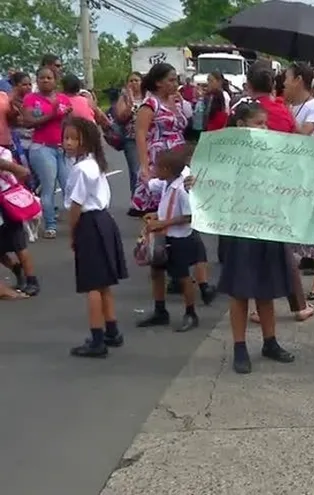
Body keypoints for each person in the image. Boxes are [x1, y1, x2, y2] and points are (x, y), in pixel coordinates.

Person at [213, 101, 300, 373]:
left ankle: (269, 341)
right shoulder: (226, 153)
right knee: (240, 292)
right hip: (240, 230)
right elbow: (209, 180)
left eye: (266, 123)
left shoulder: (272, 152)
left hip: (268, 226)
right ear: (241, 126)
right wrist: (196, 181)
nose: (264, 128)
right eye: (258, 123)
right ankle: (239, 347)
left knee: (266, 288)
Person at [241, 63, 314, 324]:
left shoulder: (243, 112)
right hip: (280, 187)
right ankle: (297, 304)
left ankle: (258, 305)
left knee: (255, 249)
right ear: (273, 85)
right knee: (280, 246)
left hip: (247, 190)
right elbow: (296, 141)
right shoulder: (281, 111)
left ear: (249, 86)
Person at [62, 117, 128, 358]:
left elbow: (76, 206)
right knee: (103, 283)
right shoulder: (94, 163)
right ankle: (112, 330)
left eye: (73, 138)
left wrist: (72, 233)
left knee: (91, 284)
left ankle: (97, 339)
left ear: (86, 141)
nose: (68, 143)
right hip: (104, 221)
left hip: (90, 223)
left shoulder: (80, 169)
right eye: (65, 138)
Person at [136, 146, 204, 333]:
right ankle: (160, 310)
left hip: (179, 238)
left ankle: (190, 313)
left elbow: (189, 216)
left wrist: (163, 223)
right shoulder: (166, 183)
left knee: (182, 277)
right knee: (156, 272)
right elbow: (154, 190)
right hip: (164, 237)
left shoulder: (182, 190)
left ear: (166, 170)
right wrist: (155, 215)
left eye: (156, 167)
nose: (154, 170)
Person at [286, 62, 314, 300]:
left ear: (299, 80)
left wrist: (284, 115)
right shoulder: (288, 105)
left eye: (287, 78)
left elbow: (304, 132)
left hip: (310, 171)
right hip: (289, 170)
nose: (284, 83)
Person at [132, 63, 188, 215]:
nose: (175, 84)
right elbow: (141, 134)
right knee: (160, 207)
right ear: (158, 82)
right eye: (171, 80)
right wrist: (144, 166)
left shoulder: (176, 101)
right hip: (159, 158)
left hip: (177, 158)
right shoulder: (150, 104)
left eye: (176, 80)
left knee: (178, 204)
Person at [22, 66, 71, 238]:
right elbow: (27, 122)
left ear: (55, 80)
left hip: (63, 148)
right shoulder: (31, 99)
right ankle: (50, 224)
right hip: (42, 147)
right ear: (37, 80)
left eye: (49, 78)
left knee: (69, 185)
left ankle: (77, 223)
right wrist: (52, 115)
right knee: (49, 187)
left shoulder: (64, 99)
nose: (45, 80)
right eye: (42, 78)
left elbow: (69, 122)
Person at [0, 148, 39, 295]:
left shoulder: (4, 153)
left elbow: (10, 169)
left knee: (19, 244)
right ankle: (16, 268)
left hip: (7, 203)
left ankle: (31, 280)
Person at [114, 72, 145, 204]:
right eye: (131, 81)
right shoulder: (124, 98)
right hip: (131, 139)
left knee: (149, 169)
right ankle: (136, 200)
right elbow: (120, 117)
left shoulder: (148, 97)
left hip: (148, 138)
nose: (134, 83)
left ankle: (149, 199)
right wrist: (130, 104)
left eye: (136, 80)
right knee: (135, 171)